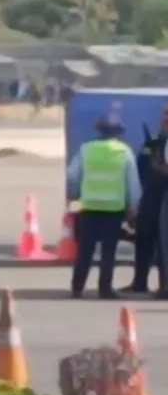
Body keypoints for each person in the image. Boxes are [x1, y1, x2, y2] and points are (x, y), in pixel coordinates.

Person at [67, 117, 141, 299]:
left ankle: (77, 287)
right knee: (109, 251)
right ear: (118, 134)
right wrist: (133, 206)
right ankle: (105, 288)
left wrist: (74, 196)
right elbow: (133, 183)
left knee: (85, 250)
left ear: (99, 131)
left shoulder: (86, 150)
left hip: (89, 207)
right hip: (113, 209)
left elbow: (72, 176)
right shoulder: (124, 152)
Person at [122, 113, 168, 294]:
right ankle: (139, 282)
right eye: (164, 115)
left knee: (164, 246)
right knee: (143, 242)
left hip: (165, 199)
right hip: (149, 198)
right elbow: (138, 172)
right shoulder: (151, 144)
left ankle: (165, 286)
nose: (164, 119)